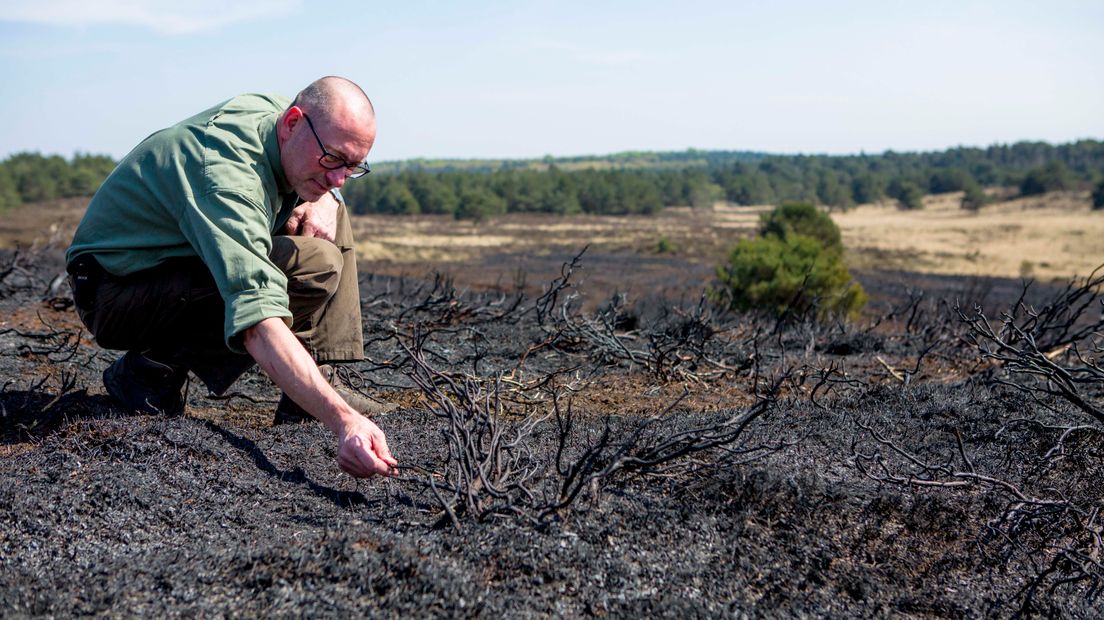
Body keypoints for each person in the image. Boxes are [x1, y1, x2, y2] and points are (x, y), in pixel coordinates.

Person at [65, 76, 397, 478]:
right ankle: (151, 369)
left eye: (353, 165)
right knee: (314, 267)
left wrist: (330, 196)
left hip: (171, 260)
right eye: (333, 159)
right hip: (115, 289)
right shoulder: (226, 179)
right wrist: (344, 422)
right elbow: (256, 319)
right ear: (292, 123)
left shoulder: (283, 120)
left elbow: (326, 172)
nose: (340, 176)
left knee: (325, 210)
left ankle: (322, 374)